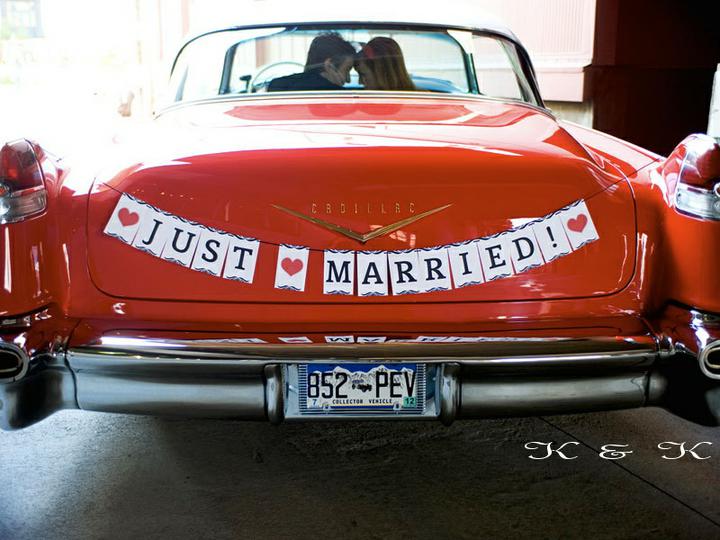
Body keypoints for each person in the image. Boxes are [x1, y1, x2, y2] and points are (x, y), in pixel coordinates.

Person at [268, 33, 356, 92]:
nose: (348, 80)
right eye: (347, 70)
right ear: (329, 65)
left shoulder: (276, 86)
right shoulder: (341, 97)